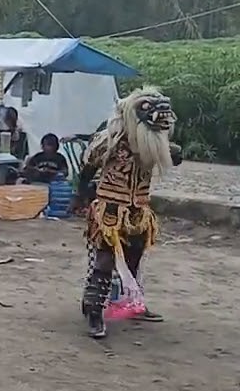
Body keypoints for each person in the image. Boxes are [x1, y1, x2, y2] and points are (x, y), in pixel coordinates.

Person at [77, 88, 183, 339]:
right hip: (110, 210)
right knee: (104, 262)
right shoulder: (112, 141)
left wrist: (171, 151)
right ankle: (93, 310)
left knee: (133, 260)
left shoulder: (155, 143)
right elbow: (88, 166)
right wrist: (82, 195)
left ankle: (131, 302)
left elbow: (175, 157)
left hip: (139, 212)